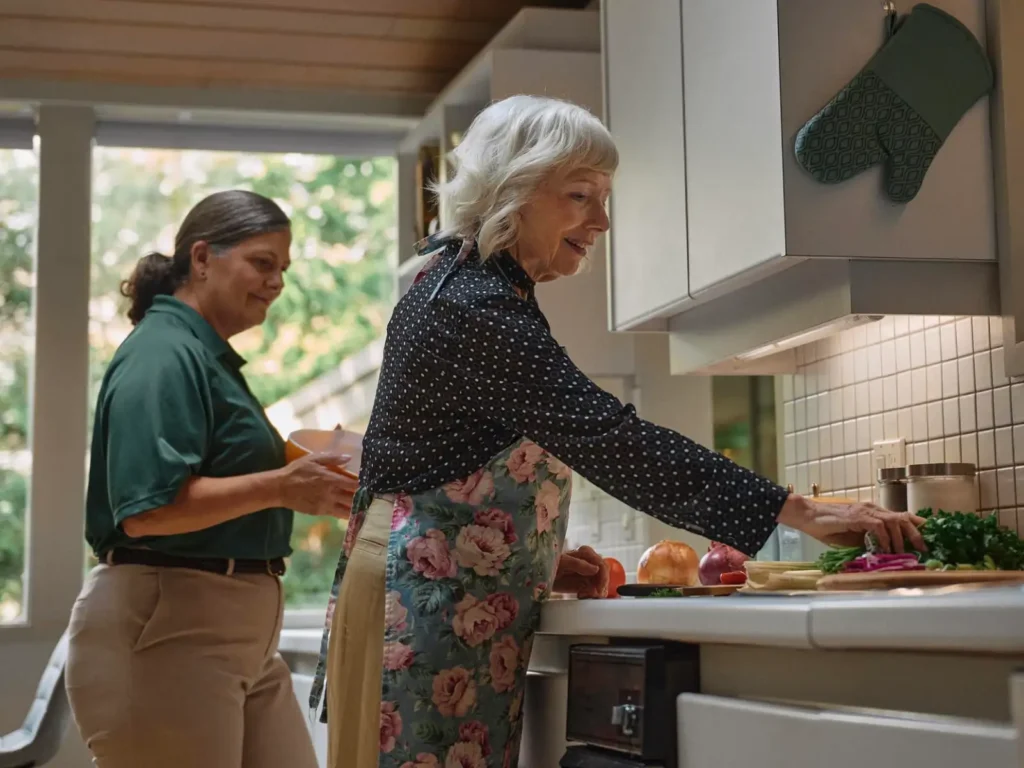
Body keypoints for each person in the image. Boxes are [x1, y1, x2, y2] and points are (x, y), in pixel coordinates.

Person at [311, 96, 926, 768]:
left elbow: (447, 461)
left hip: (435, 586)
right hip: (421, 598)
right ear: (513, 189)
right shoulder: (475, 307)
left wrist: (529, 556)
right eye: (580, 196)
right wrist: (801, 511)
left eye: (603, 199)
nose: (602, 221)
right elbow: (612, 439)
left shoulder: (466, 286)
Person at [66, 190, 359, 768]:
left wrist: (307, 482)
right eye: (262, 262)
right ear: (201, 258)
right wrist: (281, 486)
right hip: (169, 630)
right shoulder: (162, 353)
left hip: (236, 637)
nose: (277, 282)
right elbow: (147, 509)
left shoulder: (205, 356)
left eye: (283, 269)